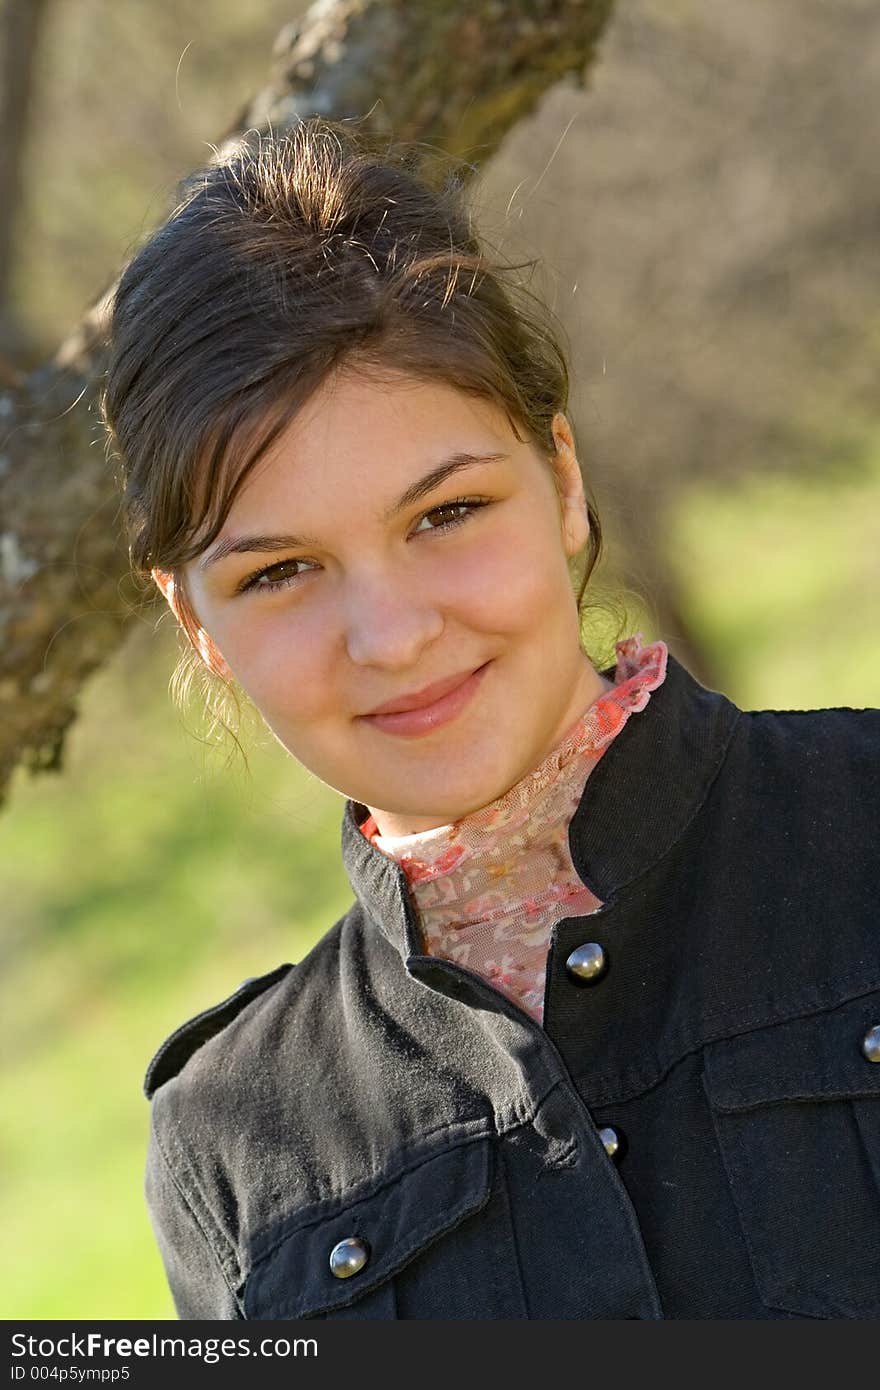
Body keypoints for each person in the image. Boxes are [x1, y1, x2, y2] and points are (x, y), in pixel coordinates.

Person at [100, 117, 880, 1321]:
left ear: (561, 479)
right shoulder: (229, 1148)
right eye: (279, 573)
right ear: (196, 624)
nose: (393, 634)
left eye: (446, 513)